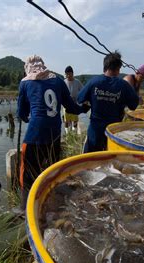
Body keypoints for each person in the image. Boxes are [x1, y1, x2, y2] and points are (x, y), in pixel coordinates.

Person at [17, 55, 86, 208]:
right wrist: (84, 108)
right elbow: (72, 107)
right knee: (52, 170)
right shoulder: (58, 81)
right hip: (54, 135)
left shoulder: (25, 83)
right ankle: (51, 201)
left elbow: (21, 113)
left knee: (27, 174)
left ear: (28, 68)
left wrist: (28, 118)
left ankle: (25, 207)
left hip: (34, 136)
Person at [77, 51, 139, 152]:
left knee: (90, 162)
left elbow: (80, 99)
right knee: (109, 163)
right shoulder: (124, 85)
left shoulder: (94, 82)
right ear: (119, 69)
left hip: (95, 132)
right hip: (114, 133)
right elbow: (133, 106)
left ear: (104, 67)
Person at [63, 65, 83, 132]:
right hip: (66, 105)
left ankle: (74, 133)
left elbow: (83, 91)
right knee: (66, 120)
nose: (68, 75)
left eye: (69, 73)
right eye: (67, 74)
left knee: (75, 120)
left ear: (72, 73)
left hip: (75, 104)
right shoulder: (64, 82)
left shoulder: (77, 82)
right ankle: (67, 133)